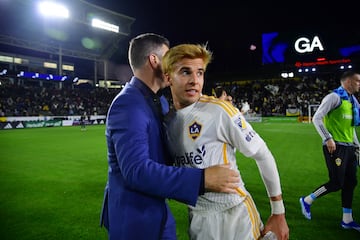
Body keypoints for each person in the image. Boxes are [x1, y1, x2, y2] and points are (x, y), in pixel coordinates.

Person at [99, 33, 241, 240]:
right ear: (154, 61)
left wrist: (211, 111)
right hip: (134, 219)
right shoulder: (128, 104)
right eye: (168, 57)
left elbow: (171, 150)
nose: (173, 63)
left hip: (158, 211)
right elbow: (136, 170)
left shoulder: (159, 103)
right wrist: (202, 180)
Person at [162, 43, 289, 240]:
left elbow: (262, 154)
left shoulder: (219, 111)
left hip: (235, 212)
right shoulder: (167, 122)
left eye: (200, 73)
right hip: (198, 217)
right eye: (185, 72)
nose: (195, 80)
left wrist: (278, 211)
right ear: (168, 77)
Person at [300, 70, 360, 231]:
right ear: (348, 82)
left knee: (351, 182)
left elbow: (351, 127)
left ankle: (347, 220)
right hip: (335, 146)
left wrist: (357, 145)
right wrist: (328, 138)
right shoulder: (334, 97)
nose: (359, 84)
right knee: (336, 183)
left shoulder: (352, 101)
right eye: (357, 81)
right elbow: (317, 117)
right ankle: (306, 200)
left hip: (349, 148)